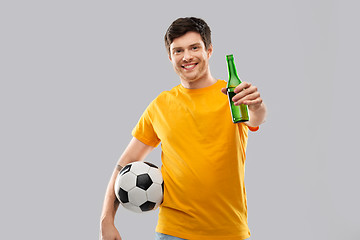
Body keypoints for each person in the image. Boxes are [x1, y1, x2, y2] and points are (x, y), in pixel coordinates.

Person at [100, 17, 267, 240]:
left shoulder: (232, 95)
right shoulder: (161, 104)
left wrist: (257, 105)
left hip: (229, 232)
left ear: (209, 51)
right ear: (170, 57)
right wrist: (106, 220)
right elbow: (124, 164)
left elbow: (256, 119)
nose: (187, 57)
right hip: (173, 232)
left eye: (194, 47)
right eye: (178, 51)